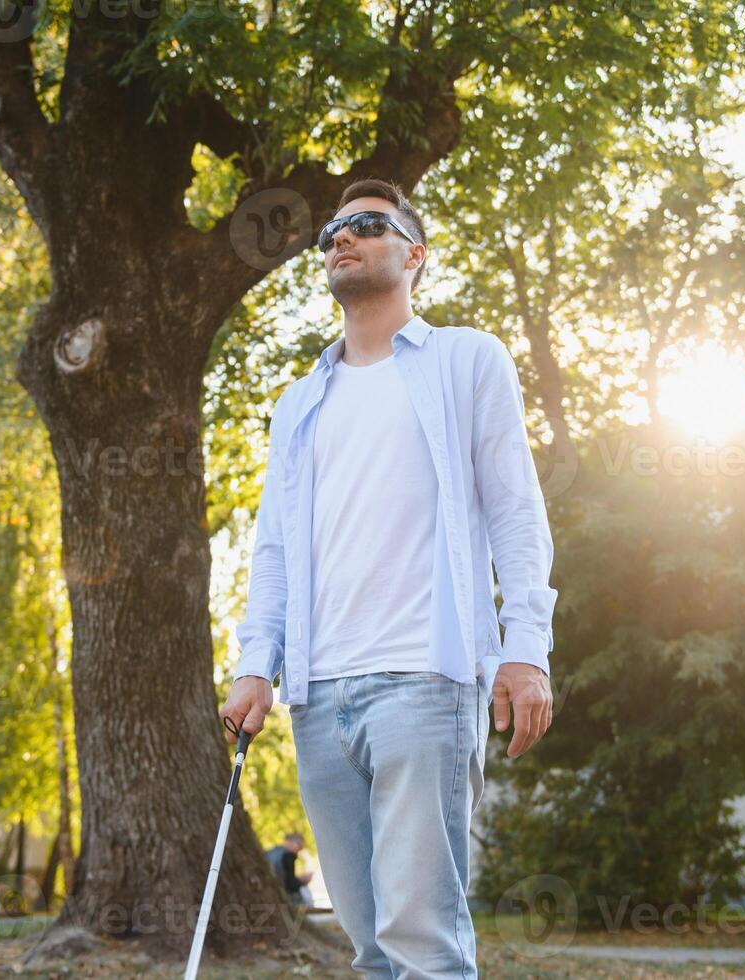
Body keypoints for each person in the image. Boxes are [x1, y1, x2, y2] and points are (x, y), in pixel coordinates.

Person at [219, 178, 557, 979]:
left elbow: (514, 509)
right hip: (318, 696)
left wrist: (526, 648)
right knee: (371, 951)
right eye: (331, 232)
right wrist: (252, 665)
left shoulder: (465, 359)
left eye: (366, 225)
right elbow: (272, 550)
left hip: (423, 682)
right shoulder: (299, 403)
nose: (341, 238)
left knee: (423, 946)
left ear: (415, 255)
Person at [265, 832, 314, 907]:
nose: (298, 852)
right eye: (299, 848)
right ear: (293, 843)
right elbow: (290, 885)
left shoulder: (270, 852)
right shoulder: (288, 855)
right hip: (282, 897)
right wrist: (303, 881)